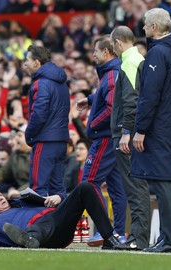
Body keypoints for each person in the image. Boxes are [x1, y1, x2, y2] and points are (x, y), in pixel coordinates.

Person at [130, 8, 171, 253]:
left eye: (144, 25)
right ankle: (169, 237)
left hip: (160, 127)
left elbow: (149, 95)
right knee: (163, 181)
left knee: (163, 182)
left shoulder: (158, 53)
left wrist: (140, 129)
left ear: (153, 27)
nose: (142, 29)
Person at [0, 182, 129, 250]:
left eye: (0, 195)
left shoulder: (23, 202)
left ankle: (110, 239)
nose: (1, 198)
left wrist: (59, 198)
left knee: (85, 187)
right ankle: (30, 239)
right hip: (44, 233)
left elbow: (60, 200)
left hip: (58, 222)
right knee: (36, 226)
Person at [76, 36, 127, 245]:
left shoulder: (112, 73)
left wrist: (93, 124)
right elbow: (107, 95)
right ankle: (119, 233)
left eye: (95, 51)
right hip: (111, 137)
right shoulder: (111, 73)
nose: (93, 55)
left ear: (106, 52)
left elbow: (112, 106)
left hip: (105, 137)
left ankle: (104, 230)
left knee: (89, 183)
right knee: (116, 187)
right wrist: (90, 99)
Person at [109, 25, 150, 250]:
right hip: (130, 132)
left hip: (127, 135)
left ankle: (138, 238)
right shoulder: (135, 59)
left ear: (117, 42)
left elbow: (132, 100)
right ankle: (138, 237)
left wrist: (126, 132)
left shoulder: (130, 62)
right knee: (136, 186)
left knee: (135, 187)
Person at [23, 45, 70, 207]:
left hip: (44, 141)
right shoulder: (62, 83)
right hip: (61, 141)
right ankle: (61, 230)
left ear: (36, 62)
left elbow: (39, 114)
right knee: (58, 190)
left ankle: (36, 231)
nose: (24, 64)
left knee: (38, 190)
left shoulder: (41, 83)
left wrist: (28, 134)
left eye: (27, 60)